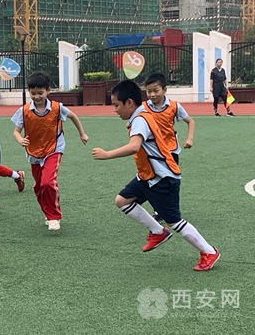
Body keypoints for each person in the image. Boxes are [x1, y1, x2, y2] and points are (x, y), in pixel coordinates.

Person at [92, 80, 220, 271]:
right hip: (147, 177)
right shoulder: (142, 114)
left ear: (129, 103)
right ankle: (157, 231)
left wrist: (106, 154)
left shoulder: (140, 119)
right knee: (122, 201)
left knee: (175, 221)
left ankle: (209, 251)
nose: (114, 110)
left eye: (116, 105)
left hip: (162, 178)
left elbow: (134, 146)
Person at [11, 71, 89, 230]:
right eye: (33, 93)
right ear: (29, 92)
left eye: (40, 93)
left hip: (54, 149)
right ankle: (48, 214)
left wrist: (82, 134)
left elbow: (73, 116)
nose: (37, 96)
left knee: (47, 182)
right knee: (39, 187)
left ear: (48, 91)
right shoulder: (24, 110)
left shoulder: (57, 108)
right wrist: (20, 140)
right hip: (33, 152)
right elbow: (16, 131)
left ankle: (54, 216)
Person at [143, 73, 195, 222]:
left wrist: (189, 139)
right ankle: (158, 211)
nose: (152, 94)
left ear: (164, 90)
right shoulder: (144, 107)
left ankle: (172, 209)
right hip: (152, 152)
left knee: (171, 182)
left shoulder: (174, 106)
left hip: (171, 150)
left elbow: (190, 121)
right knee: (154, 181)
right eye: (148, 91)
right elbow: (135, 122)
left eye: (155, 90)